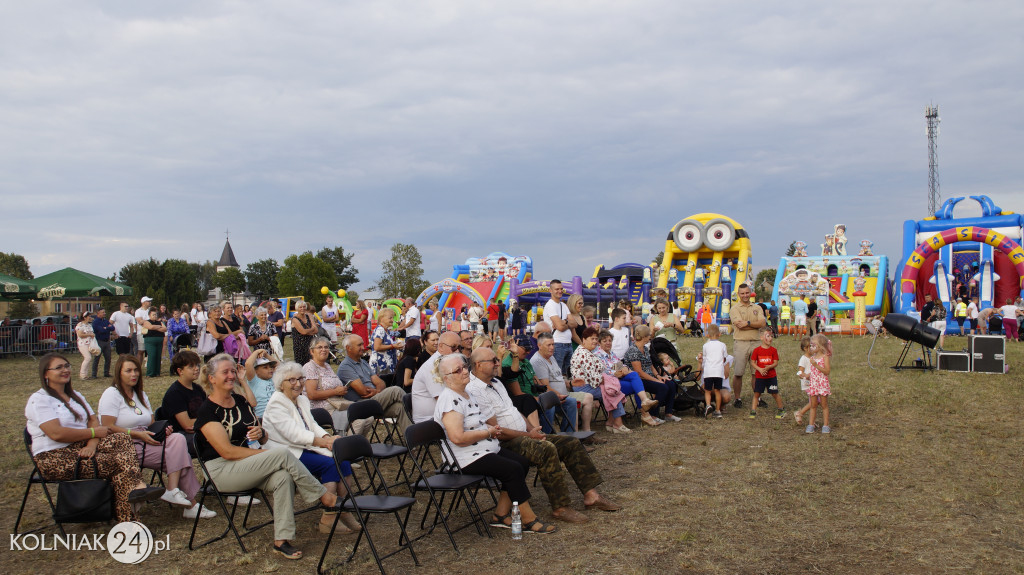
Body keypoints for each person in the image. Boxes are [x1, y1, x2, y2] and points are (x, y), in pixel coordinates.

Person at [195, 353, 343, 560]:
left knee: (282, 477)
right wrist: (266, 454)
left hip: (247, 463)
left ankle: (281, 541)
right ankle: (324, 496)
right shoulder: (207, 411)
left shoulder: (239, 400)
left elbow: (261, 435)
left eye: (232, 370)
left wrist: (261, 434)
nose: (231, 375)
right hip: (221, 469)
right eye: (225, 372)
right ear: (211, 378)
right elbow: (227, 452)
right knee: (281, 454)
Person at [468, 346, 620, 524]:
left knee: (570, 443)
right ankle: (561, 507)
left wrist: (531, 429)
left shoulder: (496, 382)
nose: (498, 363)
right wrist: (527, 435)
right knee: (546, 449)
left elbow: (513, 411)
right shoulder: (474, 390)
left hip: (522, 435)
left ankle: (591, 496)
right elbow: (497, 431)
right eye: (493, 360)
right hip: (505, 442)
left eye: (497, 359)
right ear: (478, 365)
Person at [25, 353, 165, 523]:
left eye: (67, 366)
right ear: (46, 374)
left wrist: (92, 444)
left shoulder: (75, 396)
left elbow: (93, 421)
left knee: (121, 438)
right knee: (118, 464)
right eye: (59, 367)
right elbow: (57, 433)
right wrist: (93, 434)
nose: (65, 370)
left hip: (82, 448)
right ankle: (130, 520)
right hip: (54, 456)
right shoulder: (39, 400)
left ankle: (135, 494)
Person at [433, 354, 557, 535]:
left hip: (482, 448)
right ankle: (529, 520)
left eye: (464, 367)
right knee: (512, 469)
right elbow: (457, 437)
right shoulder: (449, 399)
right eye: (458, 370)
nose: (465, 371)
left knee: (521, 463)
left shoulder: (467, 392)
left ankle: (499, 515)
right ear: (447, 378)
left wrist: (490, 431)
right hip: (463, 457)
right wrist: (488, 432)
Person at [98, 355, 214, 519]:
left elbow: (151, 421)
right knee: (181, 456)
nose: (134, 374)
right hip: (126, 445)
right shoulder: (112, 394)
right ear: (119, 373)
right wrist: (137, 433)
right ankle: (192, 504)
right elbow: (107, 426)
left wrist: (162, 430)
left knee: (177, 439)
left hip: (148, 439)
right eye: (128, 371)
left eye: (136, 370)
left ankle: (172, 489)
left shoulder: (140, 394)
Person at [262, 361, 361, 535]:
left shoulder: (301, 398)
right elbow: (293, 435)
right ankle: (328, 518)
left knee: (343, 460)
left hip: (306, 446)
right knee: (329, 464)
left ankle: (342, 508)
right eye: (291, 380)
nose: (298, 383)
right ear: (280, 384)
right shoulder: (276, 404)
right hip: (288, 451)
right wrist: (323, 443)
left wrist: (327, 437)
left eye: (300, 378)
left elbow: (312, 424)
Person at [336, 334, 413, 432]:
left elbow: (381, 383)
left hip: (374, 399)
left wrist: (376, 391)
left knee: (400, 407)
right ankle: (418, 415)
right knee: (395, 390)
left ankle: (414, 440)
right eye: (359, 345)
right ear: (348, 348)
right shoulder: (345, 367)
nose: (363, 348)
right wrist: (378, 391)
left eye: (362, 344)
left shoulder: (363, 362)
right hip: (361, 405)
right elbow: (363, 392)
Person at [594, 329, 659, 426]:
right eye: (605, 341)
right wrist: (617, 372)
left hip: (619, 379)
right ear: (599, 343)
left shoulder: (611, 354)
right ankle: (645, 413)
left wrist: (625, 369)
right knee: (637, 386)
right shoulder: (597, 355)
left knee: (634, 375)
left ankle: (645, 404)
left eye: (610, 340)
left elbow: (620, 365)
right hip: (609, 383)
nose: (608, 343)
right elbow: (604, 372)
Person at [571, 327, 630, 433]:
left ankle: (612, 423)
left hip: (594, 384)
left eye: (595, 339)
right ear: (584, 339)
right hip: (584, 387)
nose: (594, 341)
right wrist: (610, 379)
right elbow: (595, 380)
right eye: (591, 338)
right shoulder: (583, 354)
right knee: (612, 392)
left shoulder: (591, 352)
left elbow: (604, 370)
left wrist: (610, 377)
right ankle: (617, 424)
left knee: (613, 390)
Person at [529, 333, 587, 433]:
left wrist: (571, 383)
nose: (552, 347)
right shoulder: (538, 361)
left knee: (572, 402)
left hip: (561, 395)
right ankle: (549, 436)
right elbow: (545, 387)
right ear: (539, 346)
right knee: (554, 406)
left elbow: (558, 379)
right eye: (549, 345)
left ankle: (569, 435)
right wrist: (558, 396)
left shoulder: (551, 357)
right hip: (549, 398)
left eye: (553, 344)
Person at [623, 325, 680, 423]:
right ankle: (653, 414)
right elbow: (639, 372)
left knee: (671, 384)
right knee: (662, 387)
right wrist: (656, 380)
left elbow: (651, 365)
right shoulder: (633, 351)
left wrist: (659, 376)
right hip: (640, 380)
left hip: (650, 377)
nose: (650, 337)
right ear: (644, 337)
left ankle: (668, 413)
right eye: (649, 335)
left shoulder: (645, 349)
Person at [411, 331, 462, 423]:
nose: (458, 351)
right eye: (453, 347)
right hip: (429, 421)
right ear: (441, 346)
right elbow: (443, 400)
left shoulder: (448, 362)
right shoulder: (432, 366)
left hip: (444, 415)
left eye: (459, 347)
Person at [303, 336, 351, 432]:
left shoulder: (327, 366)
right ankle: (344, 444)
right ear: (311, 351)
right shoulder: (309, 367)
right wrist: (335, 391)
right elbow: (312, 394)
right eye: (319, 347)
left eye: (326, 347)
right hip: (322, 409)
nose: (324, 350)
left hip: (338, 404)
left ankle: (353, 443)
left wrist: (341, 389)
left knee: (365, 417)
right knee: (356, 417)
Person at [730, 283, 766, 408]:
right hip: (741, 343)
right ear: (739, 294)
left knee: (756, 373)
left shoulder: (757, 307)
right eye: (742, 293)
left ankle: (758, 398)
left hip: (756, 342)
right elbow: (739, 325)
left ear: (750, 293)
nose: (745, 295)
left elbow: (762, 323)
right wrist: (753, 324)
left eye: (747, 293)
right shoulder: (735, 309)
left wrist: (748, 323)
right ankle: (737, 398)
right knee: (738, 372)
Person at [749, 328, 784, 419]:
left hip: (771, 376)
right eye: (768, 336)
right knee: (757, 393)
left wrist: (769, 367)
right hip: (760, 377)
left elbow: (775, 362)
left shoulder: (773, 350)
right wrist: (760, 369)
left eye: (771, 336)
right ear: (761, 338)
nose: (770, 338)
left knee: (774, 393)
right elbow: (753, 362)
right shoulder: (757, 350)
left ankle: (781, 409)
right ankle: (753, 411)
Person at [544, 280, 573, 375]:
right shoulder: (550, 305)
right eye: (557, 289)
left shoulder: (563, 305)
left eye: (561, 289)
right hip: (557, 343)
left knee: (569, 374)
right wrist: (566, 322)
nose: (560, 291)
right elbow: (560, 327)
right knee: (557, 374)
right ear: (550, 290)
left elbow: (575, 324)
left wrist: (564, 322)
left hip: (568, 343)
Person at [700, 324, 729, 418]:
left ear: (707, 335)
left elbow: (704, 358)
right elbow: (725, 358)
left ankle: (708, 405)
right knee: (717, 391)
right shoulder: (722, 345)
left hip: (708, 372)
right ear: (719, 334)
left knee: (707, 391)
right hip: (718, 372)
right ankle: (717, 410)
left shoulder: (705, 346)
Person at [805, 334, 833, 434]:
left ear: (820, 346)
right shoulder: (812, 358)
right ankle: (811, 424)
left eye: (813, 345)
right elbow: (813, 371)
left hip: (822, 384)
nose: (811, 347)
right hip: (814, 384)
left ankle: (825, 425)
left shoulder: (825, 357)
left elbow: (827, 371)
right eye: (811, 345)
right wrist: (806, 375)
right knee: (813, 405)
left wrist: (816, 365)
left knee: (824, 405)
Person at [370, 307, 403, 375]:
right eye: (390, 318)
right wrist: (393, 346)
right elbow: (377, 347)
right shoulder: (380, 330)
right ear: (382, 318)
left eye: (392, 318)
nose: (392, 320)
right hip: (381, 365)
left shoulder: (386, 330)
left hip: (385, 364)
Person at [246, 350, 278, 418]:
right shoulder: (254, 381)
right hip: (262, 417)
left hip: (277, 414)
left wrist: (266, 355)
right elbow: (248, 364)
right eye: (265, 367)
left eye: (271, 367)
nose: (270, 369)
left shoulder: (274, 378)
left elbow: (280, 366)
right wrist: (257, 351)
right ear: (256, 371)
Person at [140, 308, 167, 378]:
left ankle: (157, 372)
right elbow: (150, 327)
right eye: (153, 315)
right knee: (152, 356)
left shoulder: (160, 322)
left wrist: (157, 327)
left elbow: (164, 329)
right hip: (150, 340)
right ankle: (150, 373)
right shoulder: (146, 322)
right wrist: (158, 327)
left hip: (159, 340)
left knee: (158, 356)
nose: (155, 316)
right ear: (149, 315)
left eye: (156, 315)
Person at [291, 301, 319, 367]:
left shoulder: (309, 316)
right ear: (297, 308)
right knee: (301, 366)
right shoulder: (295, 319)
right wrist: (312, 329)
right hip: (300, 346)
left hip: (310, 344)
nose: (302, 308)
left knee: (312, 364)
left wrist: (308, 331)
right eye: (300, 307)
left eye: (304, 307)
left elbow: (316, 330)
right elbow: (303, 332)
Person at [793, 337, 813, 425]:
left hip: (814, 382)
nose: (813, 348)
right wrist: (803, 376)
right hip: (807, 383)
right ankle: (800, 413)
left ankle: (811, 420)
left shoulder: (814, 357)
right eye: (811, 346)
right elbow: (800, 371)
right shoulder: (803, 359)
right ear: (805, 348)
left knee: (814, 401)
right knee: (815, 401)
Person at [91, 307, 116, 378]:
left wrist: (106, 328)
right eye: (103, 312)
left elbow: (112, 328)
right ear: (98, 313)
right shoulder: (96, 322)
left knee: (108, 358)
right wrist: (106, 328)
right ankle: (94, 374)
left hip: (107, 341)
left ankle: (106, 372)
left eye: (104, 312)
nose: (104, 313)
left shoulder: (105, 321)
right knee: (97, 358)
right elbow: (100, 330)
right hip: (99, 341)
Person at [75, 311, 98, 380]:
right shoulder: (80, 325)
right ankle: (82, 374)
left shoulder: (89, 325)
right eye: (89, 316)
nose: (90, 318)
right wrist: (89, 335)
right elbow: (80, 335)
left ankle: (85, 374)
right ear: (84, 317)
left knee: (89, 358)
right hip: (82, 344)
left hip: (88, 343)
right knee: (88, 358)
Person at [134, 296, 154, 363]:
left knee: (150, 350)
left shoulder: (150, 310)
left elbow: (155, 320)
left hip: (151, 332)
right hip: (142, 333)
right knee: (141, 350)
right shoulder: (138, 311)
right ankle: (138, 366)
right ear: (143, 302)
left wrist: (145, 321)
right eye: (148, 301)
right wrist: (149, 322)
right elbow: (140, 321)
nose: (150, 303)